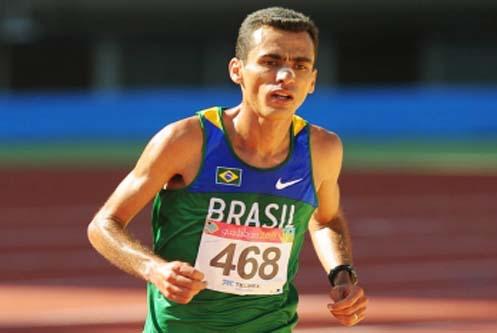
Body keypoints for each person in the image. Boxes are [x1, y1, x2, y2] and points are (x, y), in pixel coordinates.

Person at [88, 6, 367, 332]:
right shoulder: (187, 140)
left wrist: (342, 274)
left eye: (300, 66)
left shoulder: (322, 148)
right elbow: (104, 225)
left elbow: (327, 219)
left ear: (312, 81)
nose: (285, 76)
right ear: (237, 70)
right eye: (270, 62)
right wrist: (154, 270)